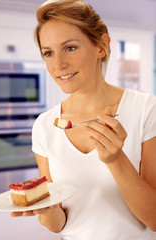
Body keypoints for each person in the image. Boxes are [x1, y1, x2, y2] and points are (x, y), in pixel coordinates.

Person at [11, 0, 156, 239]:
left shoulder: (145, 108)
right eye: (48, 53)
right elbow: (58, 224)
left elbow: (153, 219)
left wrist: (116, 159)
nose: (58, 64)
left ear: (101, 46)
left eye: (69, 48)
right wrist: (46, 208)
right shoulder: (45, 126)